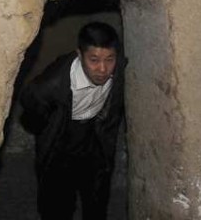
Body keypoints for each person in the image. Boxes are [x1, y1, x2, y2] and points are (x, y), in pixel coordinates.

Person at [20, 21, 125, 220]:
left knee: (96, 201)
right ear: (79, 54)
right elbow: (32, 107)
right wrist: (50, 128)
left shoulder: (119, 68)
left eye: (109, 59)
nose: (102, 69)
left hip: (94, 138)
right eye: (94, 59)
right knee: (58, 205)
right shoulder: (51, 85)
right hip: (61, 140)